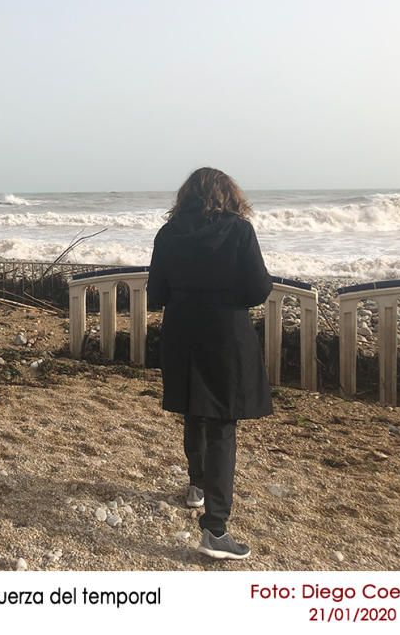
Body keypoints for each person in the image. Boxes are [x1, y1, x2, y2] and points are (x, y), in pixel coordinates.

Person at [146, 167, 272, 560]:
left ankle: (197, 485)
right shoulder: (239, 231)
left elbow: (156, 292)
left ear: (185, 197)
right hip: (225, 333)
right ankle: (215, 529)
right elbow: (258, 288)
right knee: (221, 423)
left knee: (193, 410)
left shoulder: (168, 234)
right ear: (229, 194)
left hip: (183, 330)